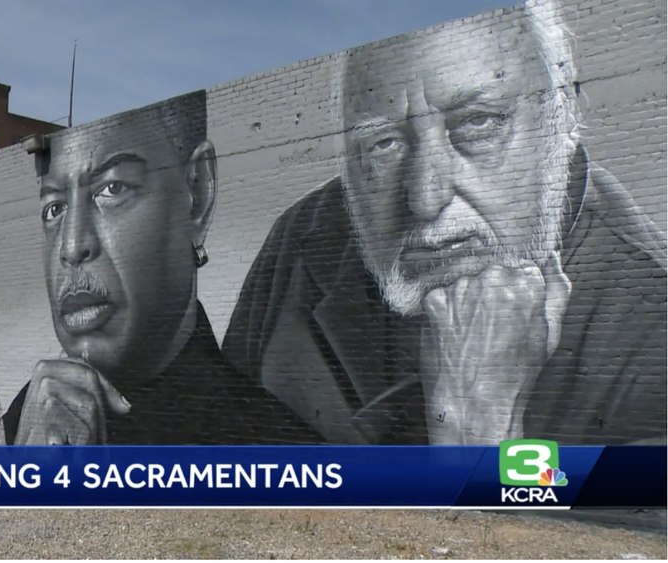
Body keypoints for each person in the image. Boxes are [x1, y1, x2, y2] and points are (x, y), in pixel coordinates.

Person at [222, 0, 667, 446]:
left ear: (565, 113)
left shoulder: (652, 329)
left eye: (478, 123)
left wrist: (477, 427)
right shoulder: (305, 240)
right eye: (384, 143)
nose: (424, 198)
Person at [2, 91, 325, 446]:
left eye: (112, 189)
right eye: (54, 209)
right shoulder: (14, 429)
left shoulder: (279, 455)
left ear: (197, 194)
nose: (72, 246)